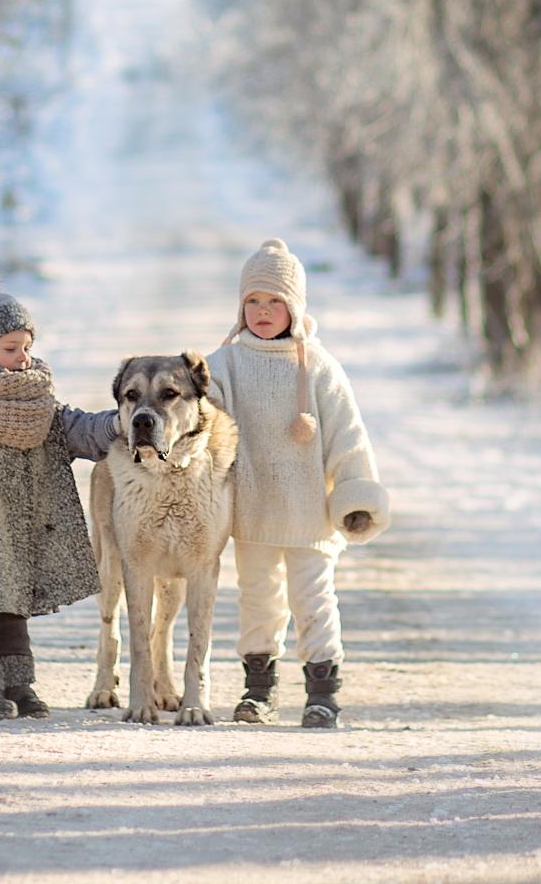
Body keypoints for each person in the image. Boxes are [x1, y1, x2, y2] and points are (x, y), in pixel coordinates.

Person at [204, 238, 389, 729]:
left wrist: (354, 494)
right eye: (253, 301)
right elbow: (199, 425)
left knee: (314, 599)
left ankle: (323, 692)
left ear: (295, 306)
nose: (263, 311)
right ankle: (259, 690)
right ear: (240, 306)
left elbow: (348, 434)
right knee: (258, 597)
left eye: (275, 301)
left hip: (309, 512)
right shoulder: (223, 365)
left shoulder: (321, 367)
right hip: (253, 509)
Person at [0, 266, 117, 719]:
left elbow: (79, 430)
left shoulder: (37, 404)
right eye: (12, 349)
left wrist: (118, 424)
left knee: (14, 611)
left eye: (27, 347)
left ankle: (18, 685)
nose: (24, 358)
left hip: (20, 530)